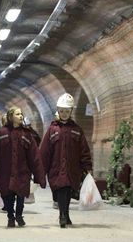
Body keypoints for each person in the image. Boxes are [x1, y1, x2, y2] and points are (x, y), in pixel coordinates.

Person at [0, 107, 46, 228]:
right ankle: (10, 217)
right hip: (4, 171)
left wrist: (39, 175)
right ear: (11, 116)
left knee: (21, 195)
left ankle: (19, 215)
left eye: (21, 114)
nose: (21, 116)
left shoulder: (27, 134)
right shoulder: (0, 133)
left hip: (23, 171)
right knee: (7, 196)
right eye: (18, 114)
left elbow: (34, 156)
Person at [40, 93, 93, 228]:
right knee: (60, 190)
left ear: (71, 112)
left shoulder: (77, 130)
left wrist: (87, 167)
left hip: (72, 168)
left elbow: (84, 150)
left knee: (67, 191)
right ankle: (63, 215)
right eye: (62, 111)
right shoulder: (52, 130)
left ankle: (65, 215)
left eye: (67, 111)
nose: (64, 113)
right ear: (58, 111)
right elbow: (45, 151)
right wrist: (41, 170)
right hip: (56, 168)